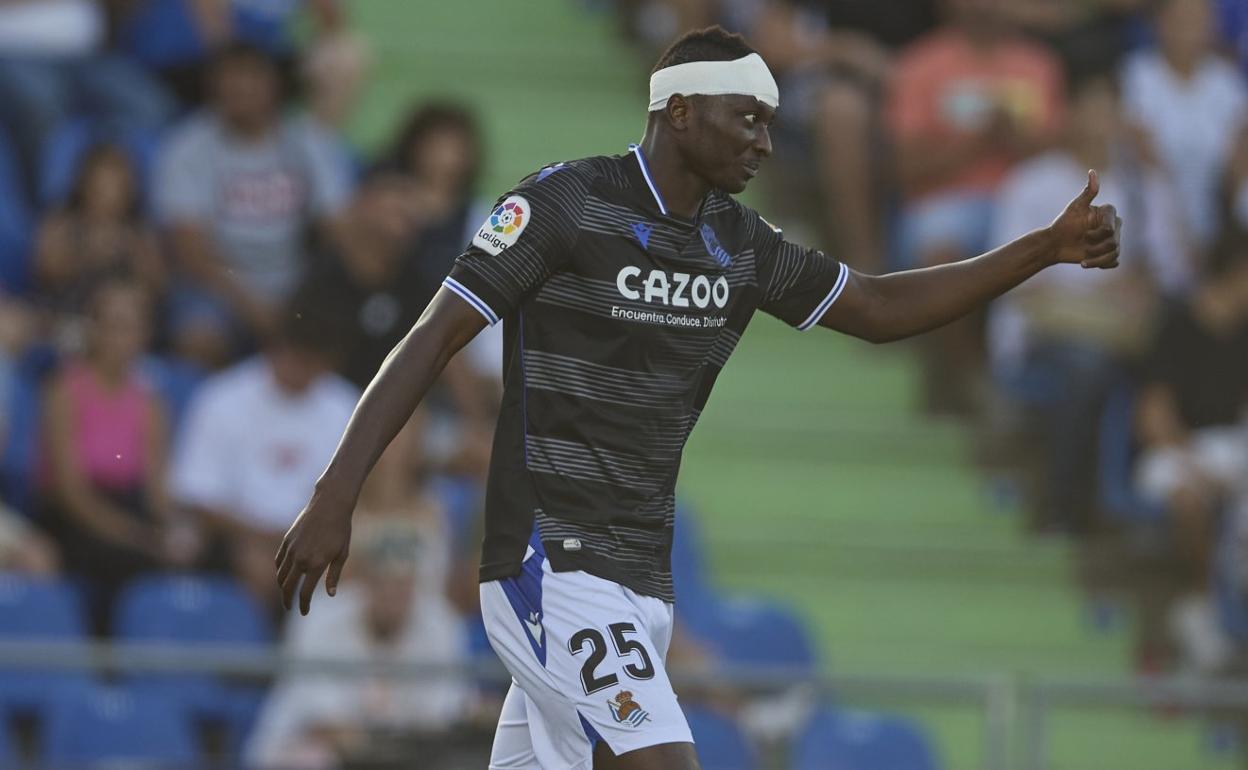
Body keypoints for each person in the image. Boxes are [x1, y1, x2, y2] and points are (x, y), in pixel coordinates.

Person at [274, 27, 1121, 769]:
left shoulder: (740, 241)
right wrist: (335, 492)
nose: (765, 140)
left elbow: (876, 307)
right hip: (550, 557)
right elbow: (432, 337)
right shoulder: (564, 201)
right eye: (748, 117)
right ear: (680, 113)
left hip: (644, 579)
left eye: (770, 122)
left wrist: (1043, 247)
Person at [153, 41, 353, 368]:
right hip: (217, 287)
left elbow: (337, 229)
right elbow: (191, 253)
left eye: (252, 75)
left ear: (274, 84)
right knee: (198, 336)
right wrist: (255, 308)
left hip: (296, 283)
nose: (241, 86)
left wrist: (308, 299)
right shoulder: (188, 147)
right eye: (230, 77)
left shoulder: (306, 140)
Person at [170, 306, 357, 615]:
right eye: (295, 357)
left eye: (311, 362)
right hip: (236, 538)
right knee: (259, 567)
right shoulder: (222, 397)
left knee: (344, 573)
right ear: (275, 350)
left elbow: (360, 494)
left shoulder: (345, 406)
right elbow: (198, 495)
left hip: (319, 540)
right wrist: (264, 540)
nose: (300, 369)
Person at [245, 523, 471, 769]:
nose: (392, 593)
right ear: (366, 580)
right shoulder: (320, 616)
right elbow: (315, 713)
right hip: (312, 745)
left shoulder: (442, 624)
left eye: (402, 583)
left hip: (407, 754)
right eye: (384, 581)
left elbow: (444, 711)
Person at [39, 277, 191, 633]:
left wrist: (177, 529)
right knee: (126, 559)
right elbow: (70, 491)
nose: (123, 338)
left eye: (132, 327)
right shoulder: (64, 391)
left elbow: (156, 487)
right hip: (73, 517)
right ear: (95, 331)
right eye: (114, 326)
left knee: (200, 556)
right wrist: (138, 537)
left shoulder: (150, 401)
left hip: (127, 508)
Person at [32, 143, 166, 321]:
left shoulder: (139, 229)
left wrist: (131, 251)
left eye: (116, 185)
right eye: (100, 185)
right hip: (64, 317)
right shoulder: (61, 221)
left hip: (120, 324)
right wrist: (86, 254)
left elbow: (159, 286)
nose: (107, 194)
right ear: (84, 184)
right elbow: (44, 270)